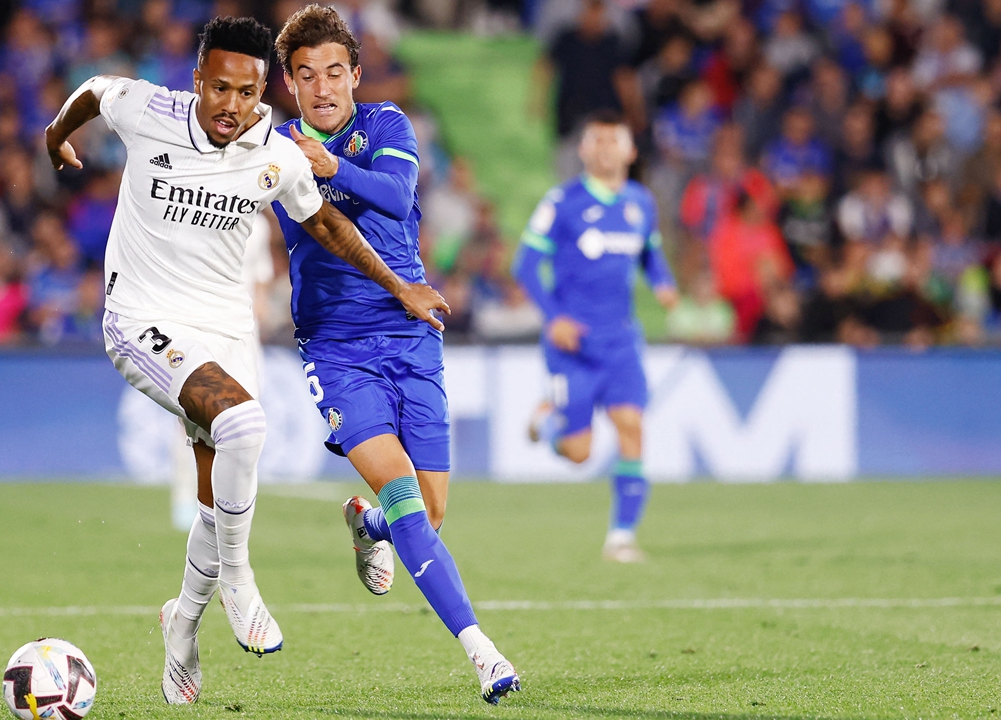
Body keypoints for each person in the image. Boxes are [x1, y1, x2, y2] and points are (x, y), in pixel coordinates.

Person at [43, 15, 449, 706]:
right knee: (244, 427)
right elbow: (94, 88)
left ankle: (182, 625)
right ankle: (238, 579)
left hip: (223, 327)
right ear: (198, 80)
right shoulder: (149, 110)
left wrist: (399, 285)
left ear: (265, 91)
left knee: (216, 488)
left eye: (248, 93)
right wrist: (57, 135)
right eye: (220, 88)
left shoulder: (276, 150)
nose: (232, 105)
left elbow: (324, 221)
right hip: (140, 318)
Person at [270, 5, 518, 705]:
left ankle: (368, 523)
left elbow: (398, 194)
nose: (323, 88)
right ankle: (483, 652)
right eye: (306, 75)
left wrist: (332, 167)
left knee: (428, 515)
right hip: (338, 345)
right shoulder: (278, 148)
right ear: (290, 83)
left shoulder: (385, 126)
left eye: (335, 73)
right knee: (409, 494)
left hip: (411, 330)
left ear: (355, 74)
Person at [513, 110, 678, 563]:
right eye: (597, 141)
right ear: (583, 150)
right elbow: (524, 265)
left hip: (621, 341)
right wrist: (553, 317)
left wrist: (663, 283)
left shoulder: (640, 202)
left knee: (631, 426)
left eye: (614, 141)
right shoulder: (562, 202)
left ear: (630, 150)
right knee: (580, 453)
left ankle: (621, 537)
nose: (605, 149)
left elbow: (651, 253)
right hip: (573, 344)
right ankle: (548, 420)